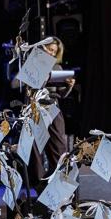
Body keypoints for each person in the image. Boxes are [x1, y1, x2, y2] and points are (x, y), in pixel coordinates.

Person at [30, 37, 76, 180]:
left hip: (52, 106)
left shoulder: (57, 68)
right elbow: (16, 84)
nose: (51, 53)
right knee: (36, 148)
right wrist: (44, 76)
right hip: (37, 106)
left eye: (54, 52)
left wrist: (69, 86)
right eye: (49, 49)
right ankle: (38, 183)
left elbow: (61, 94)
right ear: (43, 48)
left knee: (59, 146)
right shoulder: (33, 64)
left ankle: (60, 181)